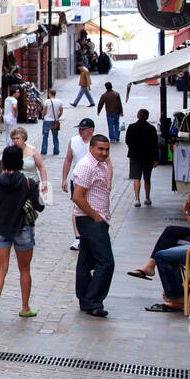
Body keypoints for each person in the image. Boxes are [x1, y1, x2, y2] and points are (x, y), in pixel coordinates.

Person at [0, 145, 43, 320]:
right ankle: (25, 307)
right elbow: (40, 206)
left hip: (0, 228)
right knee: (24, 269)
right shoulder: (28, 182)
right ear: (21, 162)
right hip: (22, 228)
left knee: (0, 269)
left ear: (3, 161)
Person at [71, 134, 115, 317]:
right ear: (92, 148)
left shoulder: (100, 164)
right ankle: (93, 301)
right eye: (100, 149)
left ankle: (85, 298)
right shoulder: (86, 166)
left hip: (95, 218)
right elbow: (77, 197)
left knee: (86, 260)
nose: (104, 153)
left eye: (106, 150)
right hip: (90, 219)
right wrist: (96, 217)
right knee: (106, 262)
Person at [144, 196, 190, 313]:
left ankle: (177, 298)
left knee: (163, 256)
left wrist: (187, 213)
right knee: (170, 238)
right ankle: (175, 290)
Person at [62, 118, 105, 252]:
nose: (80, 131)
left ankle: (91, 234)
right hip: (77, 180)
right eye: (79, 129)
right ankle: (78, 237)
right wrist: (64, 179)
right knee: (77, 206)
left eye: (83, 129)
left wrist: (107, 180)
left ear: (91, 130)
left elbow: (106, 162)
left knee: (93, 206)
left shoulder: (97, 143)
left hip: (94, 181)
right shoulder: (73, 141)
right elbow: (68, 160)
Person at [125, 108, 160, 207]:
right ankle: (147, 198)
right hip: (148, 157)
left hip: (135, 156)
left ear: (137, 116)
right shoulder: (151, 129)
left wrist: (133, 148)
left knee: (136, 178)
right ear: (147, 117)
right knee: (147, 178)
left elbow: (127, 140)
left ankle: (137, 199)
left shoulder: (131, 127)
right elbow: (155, 145)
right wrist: (156, 159)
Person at [9, 127, 48, 193]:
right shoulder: (10, 151)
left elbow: (41, 167)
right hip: (16, 185)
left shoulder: (32, 150)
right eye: (13, 139)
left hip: (32, 184)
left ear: (24, 139)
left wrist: (44, 183)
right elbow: (6, 169)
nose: (15, 140)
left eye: (17, 138)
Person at [40, 88, 63, 156]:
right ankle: (56, 150)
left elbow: (44, 110)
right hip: (55, 121)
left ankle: (44, 150)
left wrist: (42, 116)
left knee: (45, 136)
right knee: (55, 136)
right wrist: (57, 117)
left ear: (50, 94)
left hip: (47, 120)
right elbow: (61, 111)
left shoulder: (47, 101)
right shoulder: (59, 102)